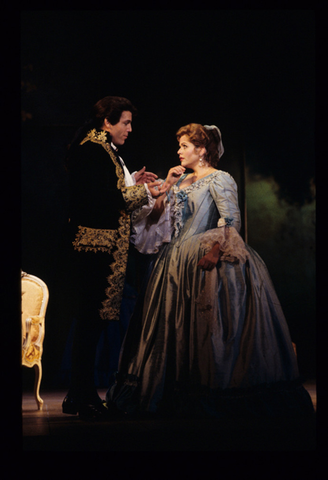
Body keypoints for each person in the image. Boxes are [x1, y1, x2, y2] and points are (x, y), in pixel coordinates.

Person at [107, 123, 314, 418]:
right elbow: (156, 219)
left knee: (211, 331)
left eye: (184, 146)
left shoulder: (220, 178)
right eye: (179, 146)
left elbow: (231, 220)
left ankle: (212, 393)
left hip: (205, 256)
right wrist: (165, 185)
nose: (178, 151)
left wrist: (216, 251)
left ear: (202, 150)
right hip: (173, 261)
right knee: (171, 328)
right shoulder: (179, 180)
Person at [61, 96, 167, 419]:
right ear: (107, 122)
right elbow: (101, 198)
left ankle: (78, 395)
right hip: (94, 248)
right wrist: (143, 192)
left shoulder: (101, 148)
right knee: (90, 322)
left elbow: (108, 189)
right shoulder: (91, 149)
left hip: (103, 247)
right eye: (125, 122)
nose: (130, 129)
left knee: (91, 323)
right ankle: (83, 395)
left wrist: (133, 181)